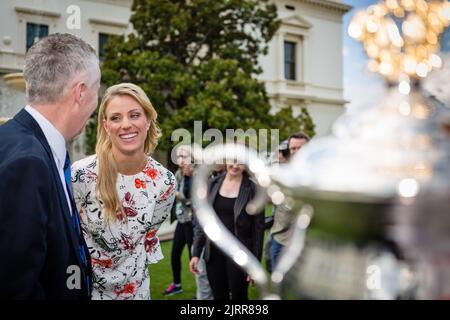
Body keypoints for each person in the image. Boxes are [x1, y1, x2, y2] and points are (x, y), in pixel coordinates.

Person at [0, 33, 100, 299]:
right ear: (80, 92)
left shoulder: (14, 140)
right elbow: (16, 285)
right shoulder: (28, 163)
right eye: (96, 89)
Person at [71, 83, 176, 300]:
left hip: (136, 293)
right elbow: (66, 235)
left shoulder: (164, 182)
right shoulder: (80, 175)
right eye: (116, 118)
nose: (126, 125)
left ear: (148, 120)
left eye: (134, 115)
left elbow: (148, 235)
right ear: (106, 125)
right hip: (85, 291)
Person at [190, 161, 265, 300]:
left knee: (239, 297)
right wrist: (196, 253)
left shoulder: (253, 189)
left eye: (240, 162)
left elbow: (258, 230)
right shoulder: (212, 184)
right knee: (219, 296)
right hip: (213, 253)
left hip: (240, 255)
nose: (235, 165)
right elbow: (204, 220)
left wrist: (255, 265)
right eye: (233, 160)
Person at [269, 132, 310, 269]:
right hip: (280, 239)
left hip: (305, 242)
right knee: (277, 285)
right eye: (293, 148)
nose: (296, 152)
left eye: (301, 148)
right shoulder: (281, 174)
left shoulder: (316, 176)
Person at [163, 145, 195, 296]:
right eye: (179, 157)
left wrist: (178, 196)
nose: (181, 160)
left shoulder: (197, 176)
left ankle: (203, 291)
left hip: (193, 222)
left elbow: (197, 201)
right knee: (175, 254)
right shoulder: (178, 174)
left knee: (193, 257)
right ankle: (177, 285)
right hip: (182, 221)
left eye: (184, 156)